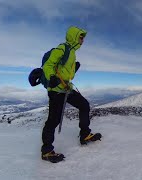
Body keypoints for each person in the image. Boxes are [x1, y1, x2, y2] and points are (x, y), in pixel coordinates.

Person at [41, 26, 101, 163]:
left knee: (84, 105)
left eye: (83, 37)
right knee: (53, 120)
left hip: (66, 88)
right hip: (56, 90)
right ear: (74, 36)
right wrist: (51, 77)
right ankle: (46, 151)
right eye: (81, 37)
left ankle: (85, 134)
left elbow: (67, 74)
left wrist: (74, 70)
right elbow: (48, 66)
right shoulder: (63, 48)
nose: (83, 40)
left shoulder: (73, 53)